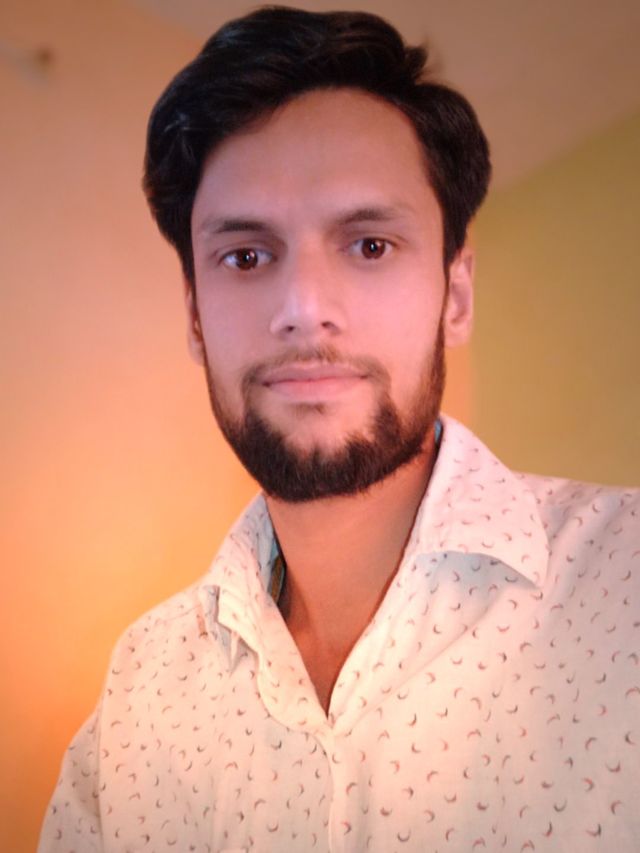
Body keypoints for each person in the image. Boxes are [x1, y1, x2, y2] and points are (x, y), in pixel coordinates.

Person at [39, 6, 640, 852]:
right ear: (196, 317)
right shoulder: (140, 695)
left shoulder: (625, 589)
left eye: (369, 245)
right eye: (247, 256)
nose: (303, 308)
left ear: (455, 294)